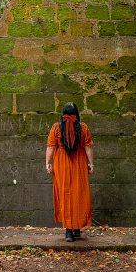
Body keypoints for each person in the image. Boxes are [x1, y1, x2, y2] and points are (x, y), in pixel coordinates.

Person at [45, 102, 94, 242]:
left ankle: (68, 231)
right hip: (78, 163)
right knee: (79, 193)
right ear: (77, 114)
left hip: (61, 164)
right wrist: (91, 163)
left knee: (65, 193)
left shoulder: (56, 127)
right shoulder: (83, 128)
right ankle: (77, 228)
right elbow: (88, 147)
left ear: (63, 114)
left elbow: (50, 146)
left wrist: (48, 163)